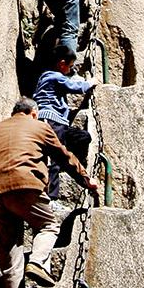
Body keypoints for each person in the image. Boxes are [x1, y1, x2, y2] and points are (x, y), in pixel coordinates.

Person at [0, 98, 99, 288]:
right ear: (33, 112)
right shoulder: (40, 126)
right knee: (49, 225)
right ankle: (37, 261)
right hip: (25, 185)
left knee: (10, 259)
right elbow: (63, 157)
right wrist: (86, 180)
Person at [34, 45, 95, 201]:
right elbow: (74, 86)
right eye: (69, 66)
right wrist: (89, 83)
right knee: (53, 158)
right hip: (51, 119)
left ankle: (67, 164)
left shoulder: (46, 77)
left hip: (59, 123)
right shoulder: (54, 76)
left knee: (83, 137)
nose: (69, 70)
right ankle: (50, 195)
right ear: (61, 64)